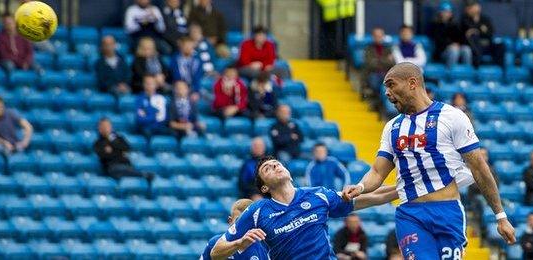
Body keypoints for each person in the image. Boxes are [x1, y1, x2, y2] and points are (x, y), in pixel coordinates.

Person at [342, 62, 516, 259]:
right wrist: (361, 187)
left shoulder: (452, 117)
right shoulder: (392, 128)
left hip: (447, 212)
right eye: (385, 88)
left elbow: (479, 168)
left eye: (391, 85)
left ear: (412, 83)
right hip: (410, 215)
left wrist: (500, 216)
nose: (387, 93)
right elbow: (377, 172)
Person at [210, 156, 395, 259]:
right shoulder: (257, 211)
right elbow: (216, 252)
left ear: (289, 174)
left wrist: (409, 188)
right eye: (267, 168)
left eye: (277, 163)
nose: (274, 165)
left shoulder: (317, 195)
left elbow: (369, 198)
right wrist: (239, 243)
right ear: (264, 188)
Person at [201, 198, 269, 260]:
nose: (243, 225)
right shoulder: (214, 243)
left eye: (247, 222)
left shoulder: (263, 248)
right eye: (239, 221)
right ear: (230, 221)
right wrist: (239, 243)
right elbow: (214, 255)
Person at [460, 1, 504, 67]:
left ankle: (499, 68)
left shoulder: (485, 19)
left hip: (486, 44)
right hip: (474, 46)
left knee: (500, 45)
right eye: (470, 7)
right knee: (474, 38)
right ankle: (477, 67)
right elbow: (467, 33)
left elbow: (490, 33)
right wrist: (480, 30)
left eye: (474, 6)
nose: (473, 9)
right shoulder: (464, 20)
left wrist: (477, 31)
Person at [428, 1, 471, 67]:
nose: (446, 13)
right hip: (442, 52)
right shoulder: (435, 25)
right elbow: (438, 41)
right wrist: (451, 44)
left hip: (456, 48)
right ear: (440, 12)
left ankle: (467, 74)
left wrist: (459, 43)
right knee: (453, 51)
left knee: (466, 50)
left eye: (448, 11)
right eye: (444, 11)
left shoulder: (454, 25)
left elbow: (460, 38)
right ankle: (450, 74)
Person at [361, 28, 395, 93]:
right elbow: (371, 64)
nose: (378, 38)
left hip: (386, 73)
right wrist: (385, 60)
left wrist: (378, 60)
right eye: (376, 36)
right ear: (373, 37)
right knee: (376, 81)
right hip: (373, 73)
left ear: (383, 36)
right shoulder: (368, 48)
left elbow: (392, 63)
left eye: (380, 36)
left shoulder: (388, 48)